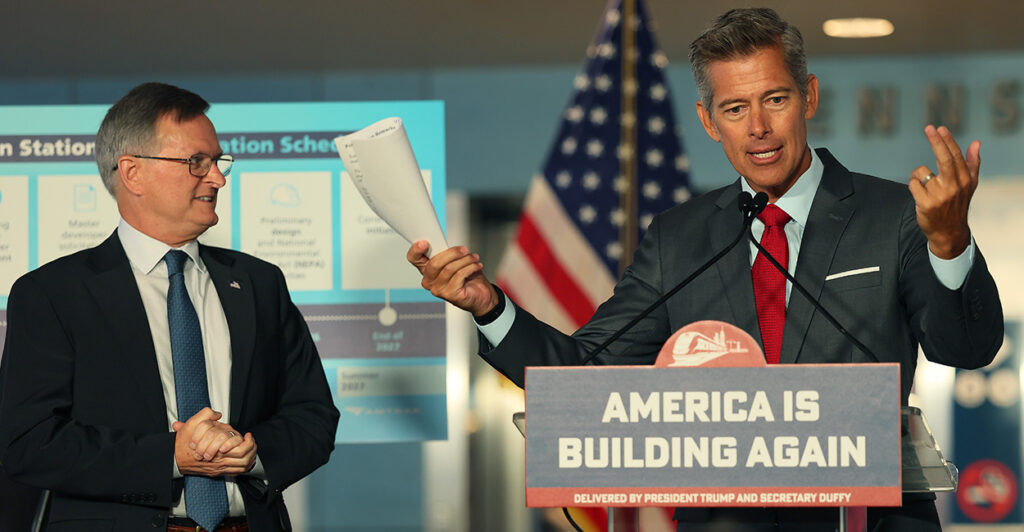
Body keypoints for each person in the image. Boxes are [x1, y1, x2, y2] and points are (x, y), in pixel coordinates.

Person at [408, 8, 1002, 532]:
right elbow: (579, 375)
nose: (759, 129)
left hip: (869, 521)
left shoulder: (894, 213)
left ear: (810, 97)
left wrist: (949, 245)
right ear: (708, 120)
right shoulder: (679, 238)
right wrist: (489, 307)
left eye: (776, 99)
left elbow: (967, 348)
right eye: (735, 108)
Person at [0, 82, 339, 532]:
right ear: (133, 173)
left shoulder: (259, 283)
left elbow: (312, 417)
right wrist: (171, 458)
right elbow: (28, 442)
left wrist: (253, 452)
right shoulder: (54, 293)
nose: (217, 178)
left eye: (219, 162)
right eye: (197, 162)